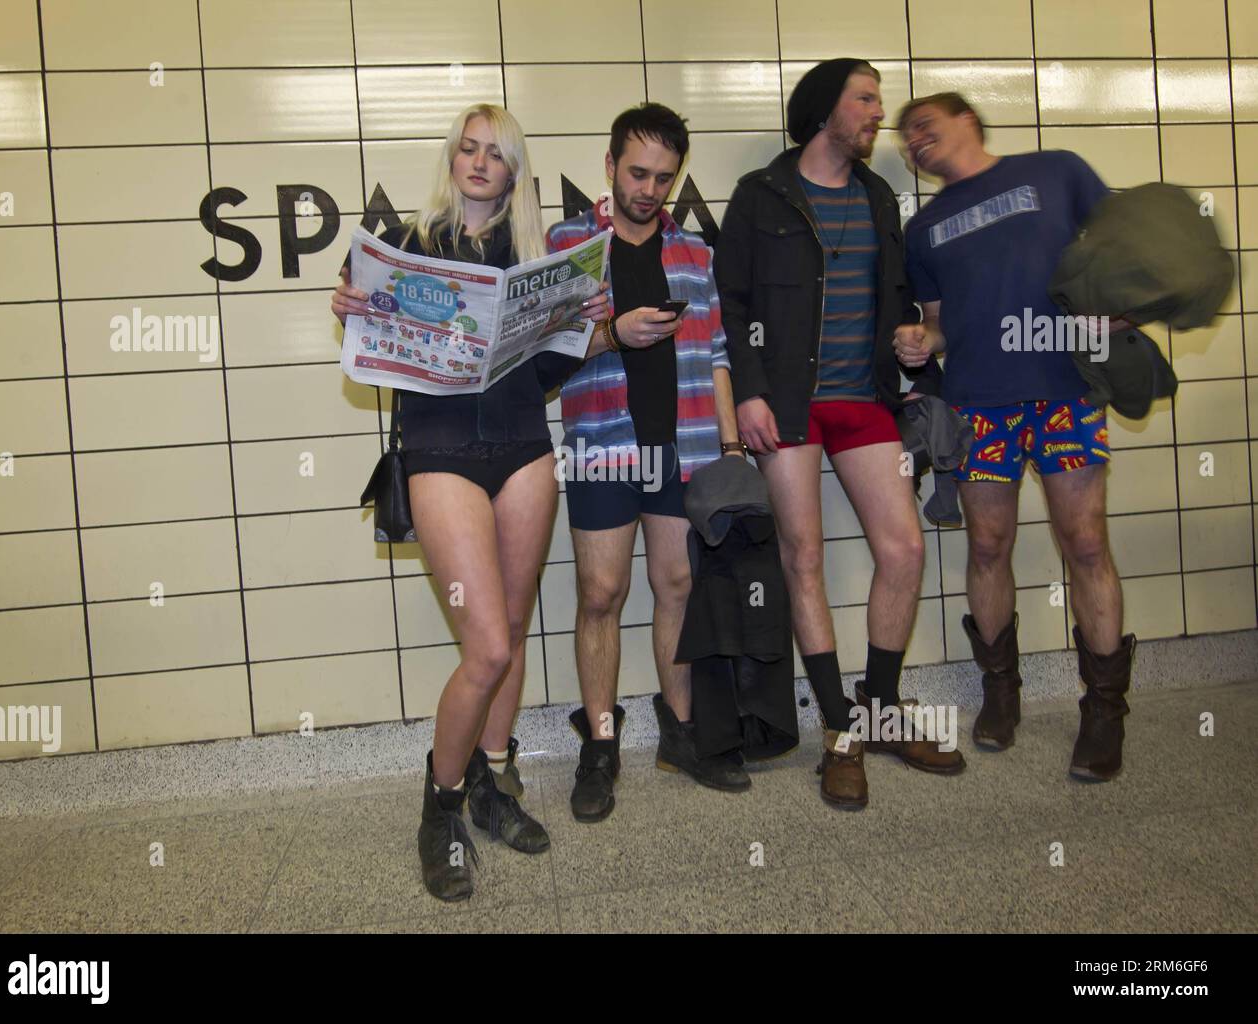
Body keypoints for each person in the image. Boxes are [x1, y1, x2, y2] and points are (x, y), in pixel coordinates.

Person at [330, 103, 612, 900]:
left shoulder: (539, 254)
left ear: (515, 171)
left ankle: (490, 780)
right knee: (486, 645)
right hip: (441, 448)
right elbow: (373, 365)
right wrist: (350, 311)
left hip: (523, 446)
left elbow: (548, 372)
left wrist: (587, 328)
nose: (481, 161)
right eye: (471, 148)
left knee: (514, 631)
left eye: (498, 153)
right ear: (454, 159)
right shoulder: (409, 246)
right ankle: (441, 805)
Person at [715, 59, 965, 811]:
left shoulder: (878, 195)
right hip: (789, 405)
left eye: (878, 100)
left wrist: (919, 337)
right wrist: (751, 396)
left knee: (904, 548)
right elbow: (731, 305)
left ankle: (879, 709)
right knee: (804, 557)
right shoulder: (763, 196)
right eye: (864, 98)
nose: (877, 113)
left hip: (864, 399)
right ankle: (838, 732)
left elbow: (900, 302)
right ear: (825, 107)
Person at [896, 92, 1136, 781]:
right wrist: (921, 341)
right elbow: (939, 323)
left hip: (1065, 390)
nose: (914, 141)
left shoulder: (1055, 171)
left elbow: (1127, 250)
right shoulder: (926, 227)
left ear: (966, 119)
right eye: (905, 138)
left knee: (1086, 543)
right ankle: (1001, 692)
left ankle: (1104, 712)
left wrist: (1126, 311)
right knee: (988, 546)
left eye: (923, 126)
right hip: (979, 404)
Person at [546, 102, 748, 823]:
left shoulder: (696, 256)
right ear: (609, 165)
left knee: (677, 584)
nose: (649, 188)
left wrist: (729, 449)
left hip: (683, 445)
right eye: (636, 172)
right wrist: (612, 333)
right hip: (602, 445)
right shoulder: (569, 245)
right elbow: (545, 350)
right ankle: (600, 743)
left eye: (663, 177)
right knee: (600, 593)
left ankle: (682, 734)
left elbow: (718, 357)